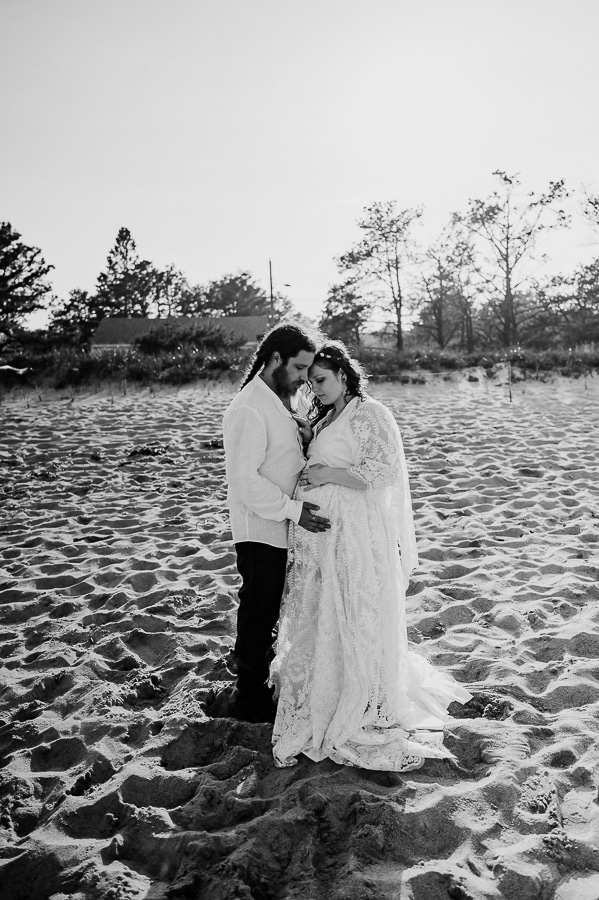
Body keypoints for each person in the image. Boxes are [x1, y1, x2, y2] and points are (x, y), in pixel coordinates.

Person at [270, 341, 472, 770]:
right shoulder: (329, 416)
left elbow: (383, 473)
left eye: (321, 380)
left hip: (357, 530)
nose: (317, 389)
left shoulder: (371, 413)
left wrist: (329, 474)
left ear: (343, 374)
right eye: (311, 383)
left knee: (357, 606)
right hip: (329, 533)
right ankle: (333, 680)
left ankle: (363, 692)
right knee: (330, 609)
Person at [209, 323, 330, 724]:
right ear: (274, 358)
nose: (303, 378)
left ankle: (256, 686)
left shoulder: (277, 400)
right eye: (298, 368)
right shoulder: (249, 407)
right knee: (259, 612)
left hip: (280, 527)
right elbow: (244, 482)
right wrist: (295, 511)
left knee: (270, 611)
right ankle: (249, 700)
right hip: (261, 529)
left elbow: (281, 461)